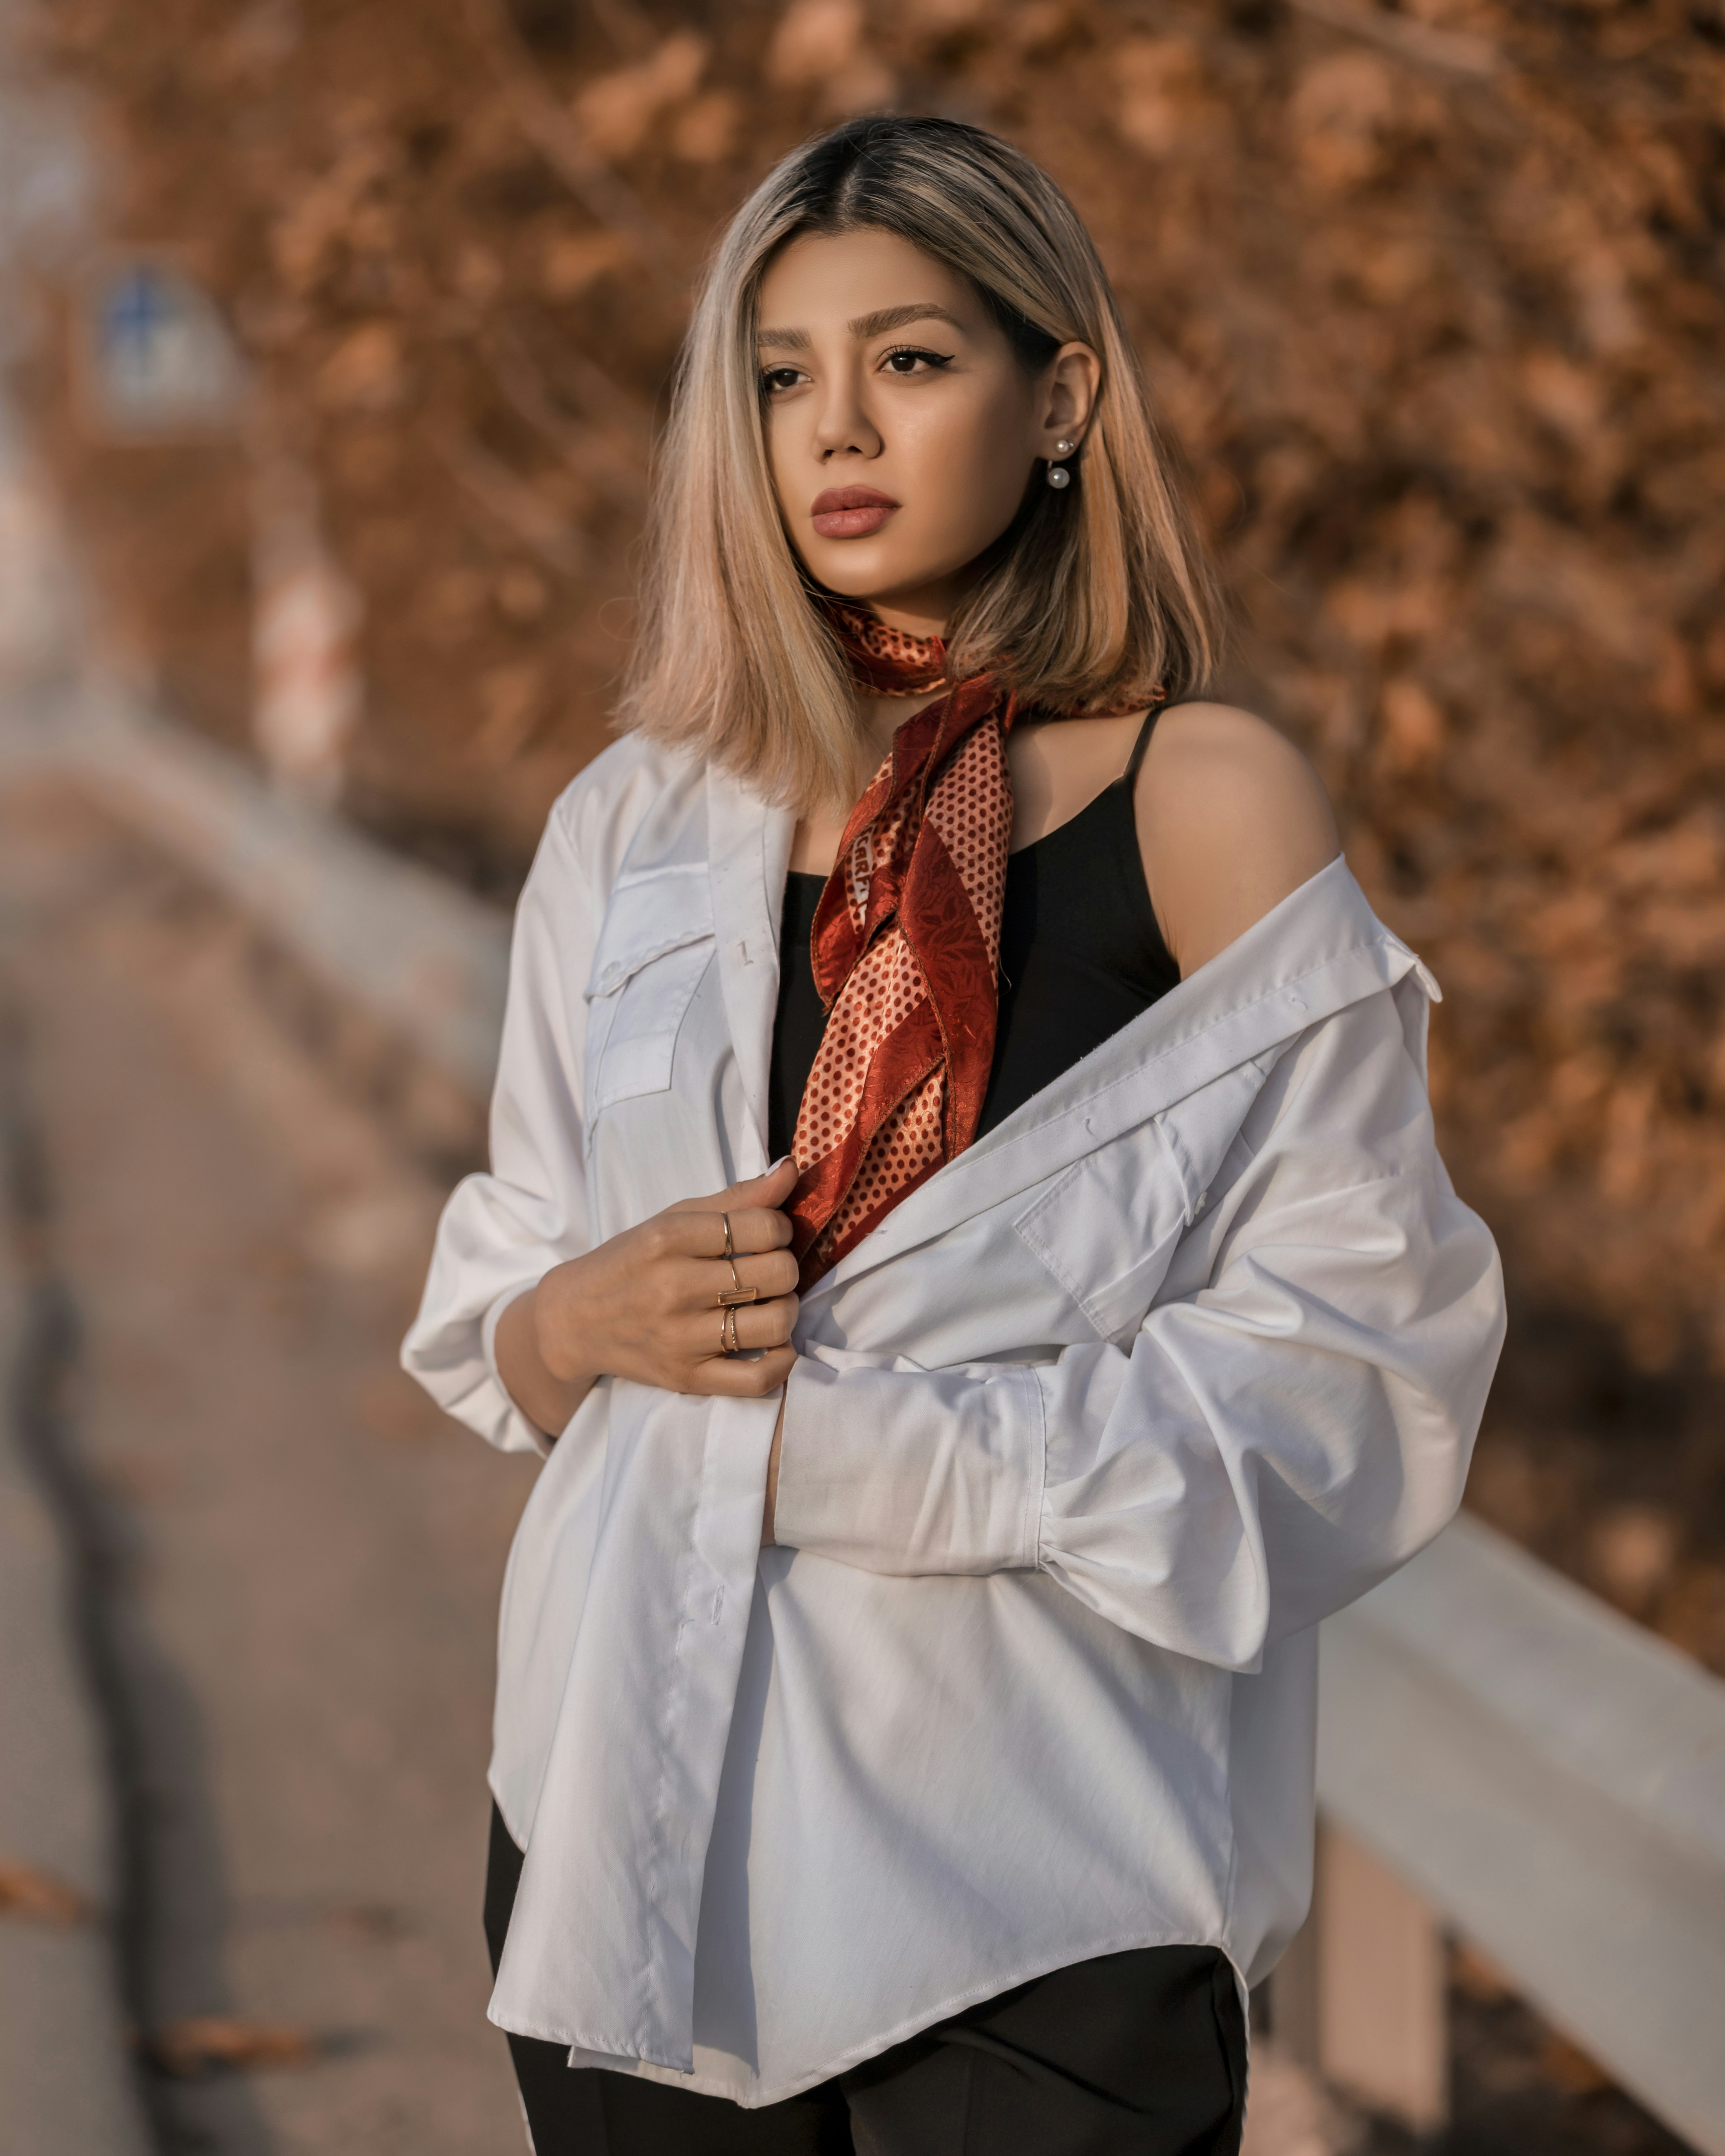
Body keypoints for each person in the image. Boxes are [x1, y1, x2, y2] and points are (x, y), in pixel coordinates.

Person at [403, 116, 1505, 2154]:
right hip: (625, 1839)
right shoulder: (635, 825)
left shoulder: (1202, 798)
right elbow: (503, 1297)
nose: (835, 428)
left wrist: (871, 1458)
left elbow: (1354, 1366)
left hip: (1039, 1877)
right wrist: (585, 1319)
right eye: (778, 375)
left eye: (908, 361)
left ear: (1058, 393)